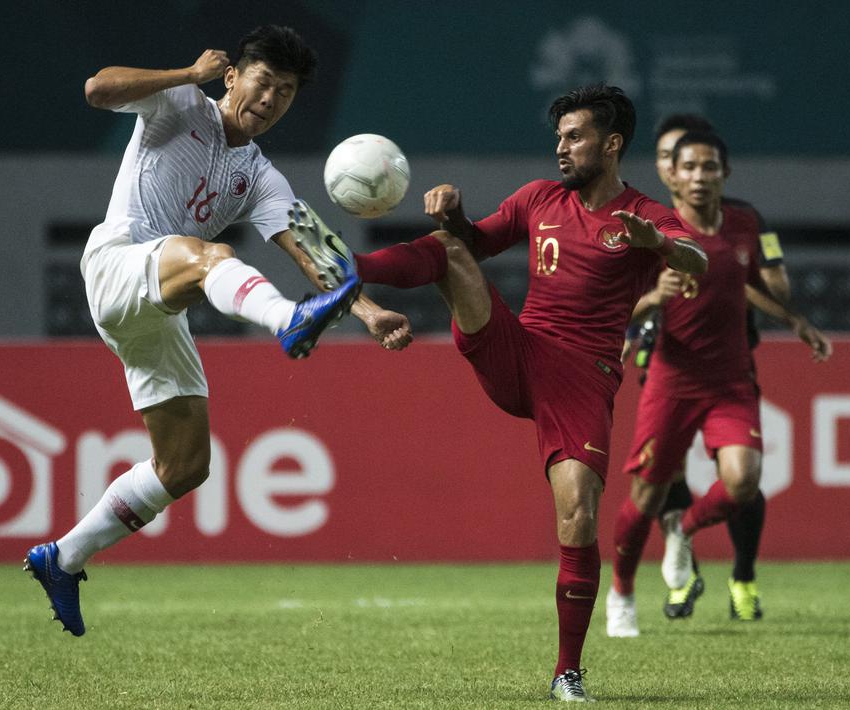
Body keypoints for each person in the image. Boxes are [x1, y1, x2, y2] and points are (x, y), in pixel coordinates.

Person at [289, 84, 707, 702]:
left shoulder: (644, 215)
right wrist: (453, 212)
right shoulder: (539, 198)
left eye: (575, 137)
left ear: (612, 143)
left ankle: (568, 671)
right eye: (558, 137)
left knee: (579, 515)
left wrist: (660, 245)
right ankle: (348, 269)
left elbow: (697, 260)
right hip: (519, 350)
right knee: (452, 251)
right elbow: (473, 241)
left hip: (582, 378)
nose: (560, 148)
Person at [23, 25, 413, 637]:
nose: (271, 99)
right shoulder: (179, 103)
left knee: (184, 467)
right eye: (264, 82)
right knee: (210, 256)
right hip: (118, 263)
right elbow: (98, 89)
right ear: (233, 75)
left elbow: (313, 249)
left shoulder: (259, 175)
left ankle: (64, 558)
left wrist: (367, 314)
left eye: (286, 92)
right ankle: (287, 321)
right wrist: (187, 74)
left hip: (159, 306)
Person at [605, 131, 831, 639]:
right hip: (671, 379)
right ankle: (620, 590)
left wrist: (795, 320)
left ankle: (683, 531)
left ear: (725, 174)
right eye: (689, 168)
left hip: (731, 378)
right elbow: (619, 305)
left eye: (709, 167)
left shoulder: (745, 224)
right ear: (672, 175)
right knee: (646, 495)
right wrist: (652, 300)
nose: (699, 176)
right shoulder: (655, 232)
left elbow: (746, 284)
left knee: (743, 482)